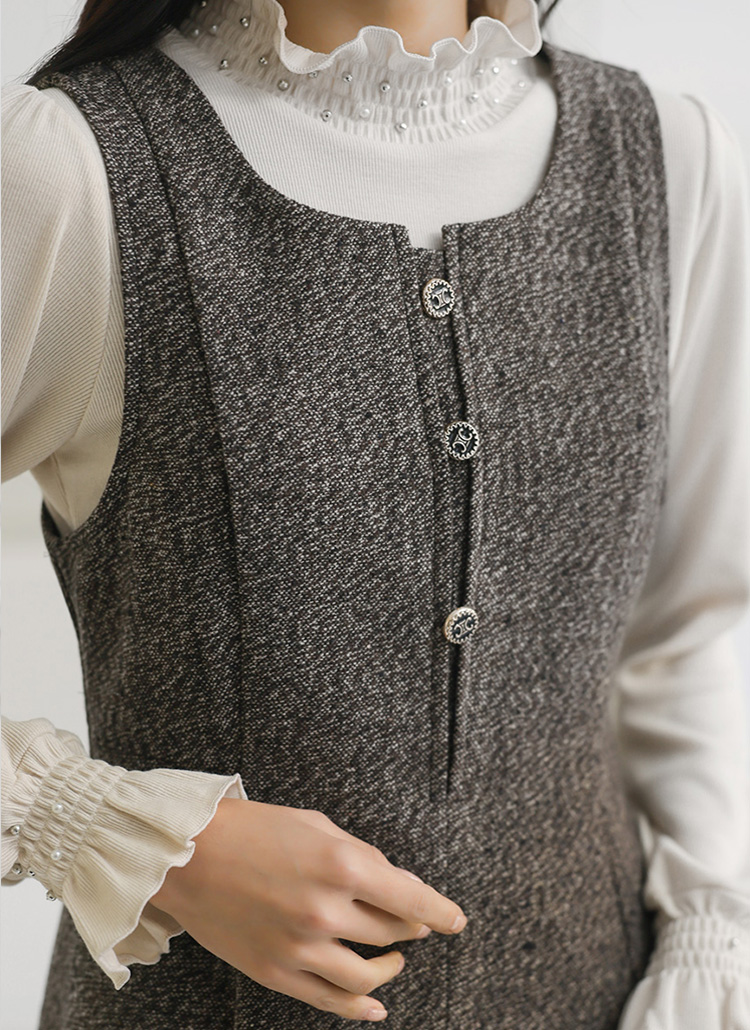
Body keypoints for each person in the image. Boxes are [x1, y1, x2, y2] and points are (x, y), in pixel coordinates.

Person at [2, 0, 749, 1026]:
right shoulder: (69, 166)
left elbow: (687, 630)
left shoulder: (668, 158)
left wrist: (711, 942)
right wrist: (127, 834)